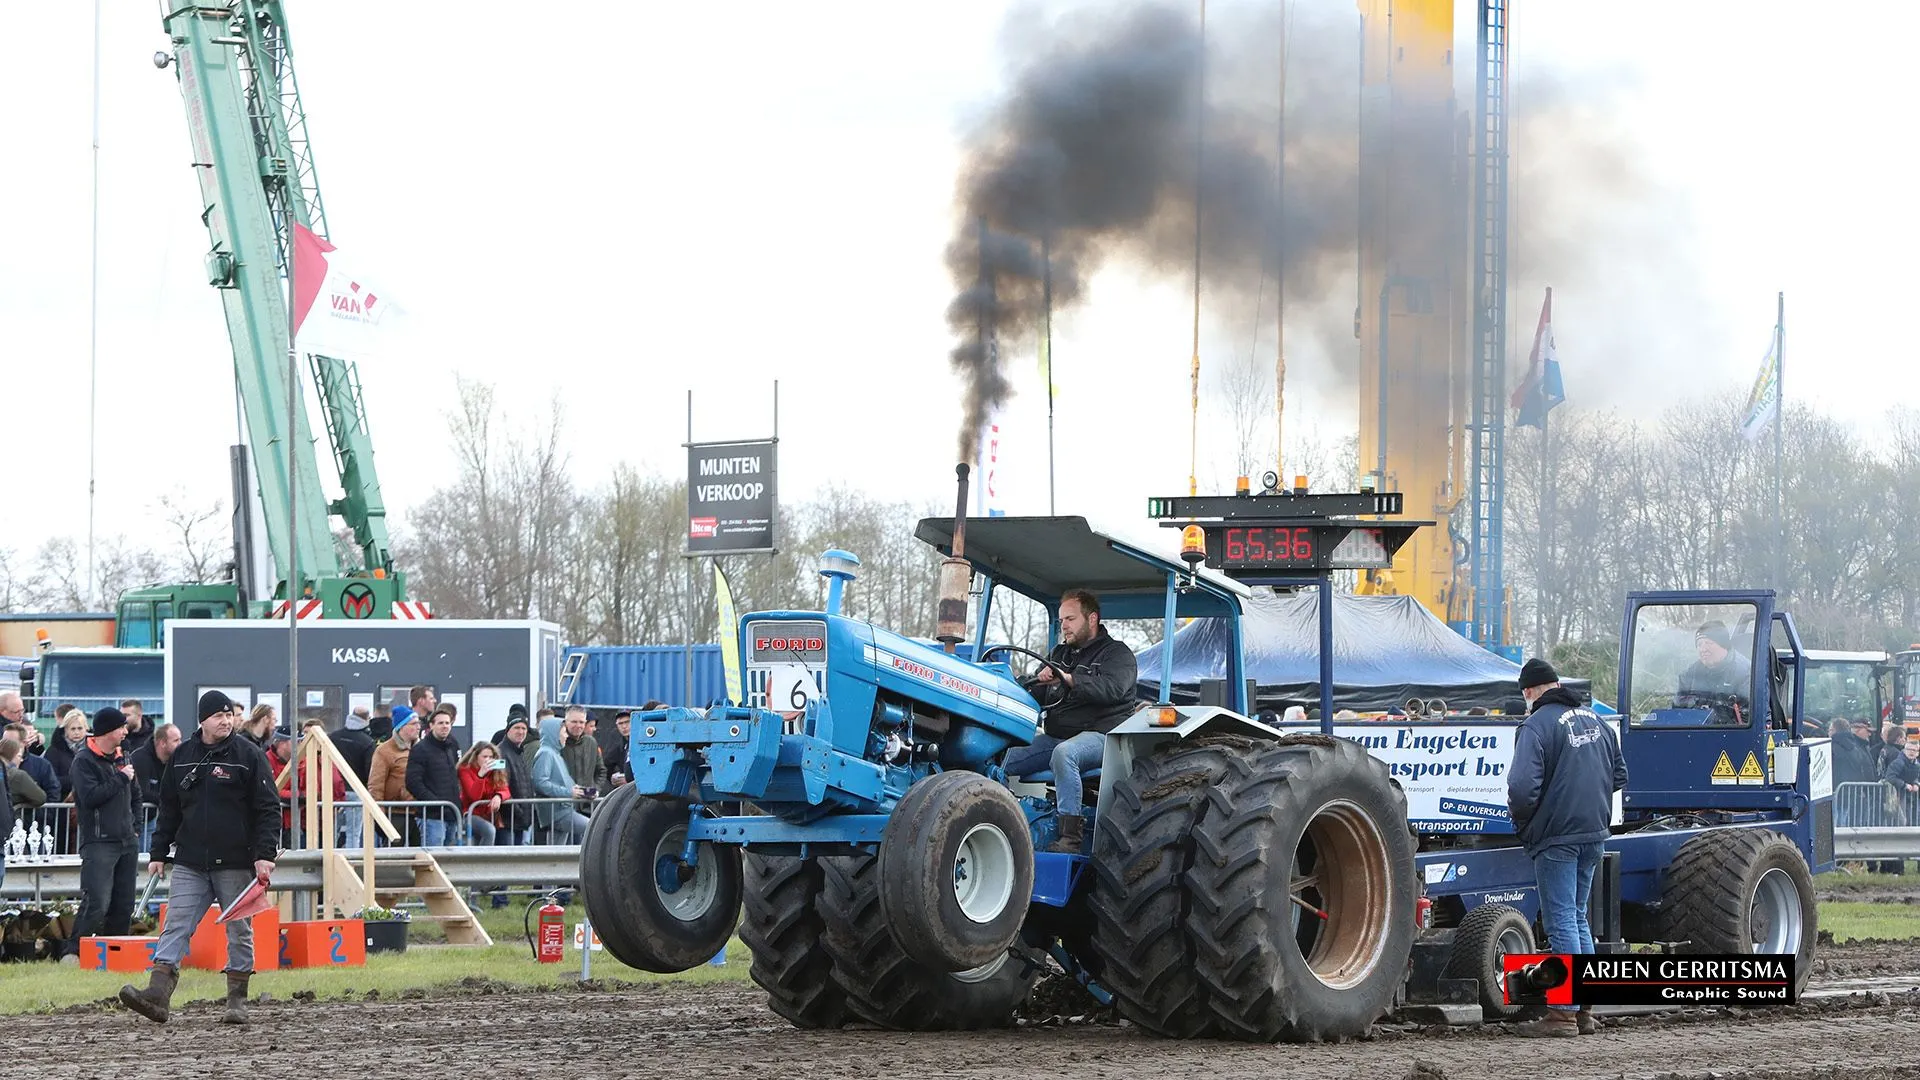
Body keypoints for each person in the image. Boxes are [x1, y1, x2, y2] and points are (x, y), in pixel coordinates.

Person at [119, 691, 281, 1026]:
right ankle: (157, 996)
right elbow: (169, 808)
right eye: (218, 715)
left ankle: (237, 1002)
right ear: (202, 720)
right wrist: (159, 853)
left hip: (237, 861)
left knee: (239, 931)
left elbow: (268, 808)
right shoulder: (182, 756)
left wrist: (264, 855)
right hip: (191, 861)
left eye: (229, 715)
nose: (226, 720)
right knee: (175, 924)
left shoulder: (248, 755)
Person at [1506, 658, 1627, 1037]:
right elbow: (1620, 774)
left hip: (1556, 837)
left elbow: (1522, 788)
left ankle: (1561, 1014)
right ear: (1557, 683)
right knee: (1577, 919)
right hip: (1594, 833)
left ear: (1529, 692)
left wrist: (1526, 822)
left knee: (1561, 923)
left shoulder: (1536, 726)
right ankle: (1584, 1010)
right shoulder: (1596, 721)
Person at [1002, 589, 1139, 854]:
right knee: (1000, 757)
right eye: (1062, 619)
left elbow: (1112, 689)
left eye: (1070, 619)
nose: (1064, 625)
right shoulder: (1060, 653)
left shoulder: (1117, 655)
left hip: (1102, 736)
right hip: (1056, 736)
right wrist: (1031, 683)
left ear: (1092, 619)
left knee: (1065, 754)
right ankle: (1001, 818)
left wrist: (1070, 679)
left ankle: (1070, 838)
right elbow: (1042, 696)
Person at [64, 706, 142, 961]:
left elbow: (136, 796)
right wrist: (119, 779)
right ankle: (74, 952)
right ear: (108, 731)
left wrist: (135, 827)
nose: (125, 730)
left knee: (123, 905)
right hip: (98, 843)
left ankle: (114, 957)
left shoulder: (124, 756)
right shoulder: (84, 761)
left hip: (126, 841)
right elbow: (89, 798)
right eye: (121, 726)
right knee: (97, 902)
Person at [1677, 620, 1750, 721]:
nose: (1703, 649)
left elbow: (1750, 719)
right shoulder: (1690, 674)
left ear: (1723, 645)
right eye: (1699, 644)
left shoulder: (1746, 672)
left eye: (1709, 643)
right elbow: (1677, 712)